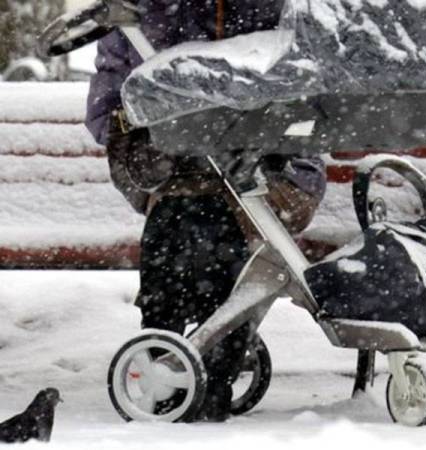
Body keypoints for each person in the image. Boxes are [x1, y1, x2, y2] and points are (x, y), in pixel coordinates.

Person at [85, 0, 326, 421]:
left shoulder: (282, 10)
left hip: (274, 172)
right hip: (177, 178)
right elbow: (106, 116)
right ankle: (192, 354)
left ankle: (178, 355)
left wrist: (242, 126)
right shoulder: (138, 13)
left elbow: (308, 106)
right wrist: (158, 120)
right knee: (188, 216)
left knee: (203, 218)